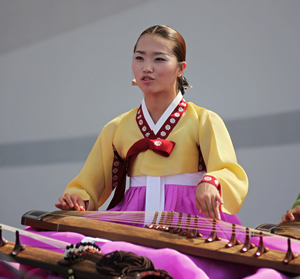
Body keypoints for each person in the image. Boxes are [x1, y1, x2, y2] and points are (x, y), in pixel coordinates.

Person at [55, 25, 248, 225]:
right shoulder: (117, 128)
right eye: (139, 58)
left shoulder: (204, 120)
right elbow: (88, 185)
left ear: (181, 68)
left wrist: (211, 183)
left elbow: (229, 171)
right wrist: (77, 199)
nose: (147, 67)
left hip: (191, 221)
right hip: (133, 220)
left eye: (159, 59)